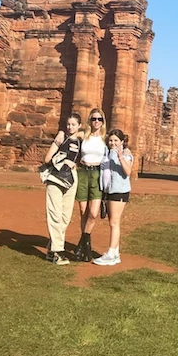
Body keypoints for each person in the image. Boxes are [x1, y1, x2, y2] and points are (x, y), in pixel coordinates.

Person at [44, 112, 82, 265]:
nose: (70, 127)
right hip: (56, 176)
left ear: (79, 126)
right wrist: (62, 160)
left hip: (72, 177)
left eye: (73, 124)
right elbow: (47, 159)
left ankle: (51, 249)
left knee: (65, 216)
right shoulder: (61, 138)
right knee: (55, 213)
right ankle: (58, 252)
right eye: (68, 124)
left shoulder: (81, 141)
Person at [93, 129, 133, 266]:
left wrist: (121, 156)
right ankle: (115, 253)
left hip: (120, 191)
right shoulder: (107, 152)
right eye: (111, 140)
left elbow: (128, 172)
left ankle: (111, 253)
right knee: (113, 221)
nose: (113, 143)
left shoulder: (126, 154)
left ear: (122, 141)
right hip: (110, 190)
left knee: (114, 223)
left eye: (116, 140)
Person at [74, 107, 107, 261]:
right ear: (89, 120)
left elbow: (119, 146)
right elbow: (68, 138)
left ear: (103, 121)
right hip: (83, 172)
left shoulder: (105, 138)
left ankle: (82, 243)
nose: (96, 122)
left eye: (99, 119)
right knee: (83, 212)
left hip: (97, 174)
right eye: (94, 119)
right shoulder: (82, 135)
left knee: (93, 214)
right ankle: (86, 245)